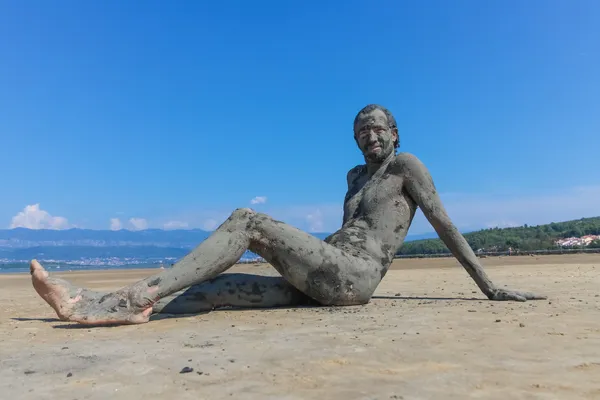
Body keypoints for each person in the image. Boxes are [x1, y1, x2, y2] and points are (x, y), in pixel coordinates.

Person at [30, 104, 546, 326]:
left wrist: (489, 286)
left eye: (377, 128)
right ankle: (104, 307)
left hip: (354, 281)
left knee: (247, 220)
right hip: (326, 272)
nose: (369, 135)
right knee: (214, 290)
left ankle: (133, 294)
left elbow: (444, 223)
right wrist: (287, 253)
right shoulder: (353, 179)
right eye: (360, 131)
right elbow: (343, 234)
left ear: (395, 133)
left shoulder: (406, 167)